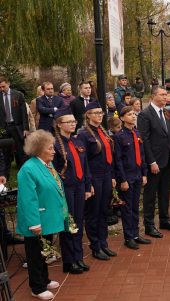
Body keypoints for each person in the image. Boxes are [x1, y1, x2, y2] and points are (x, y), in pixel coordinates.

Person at [16, 130, 68, 300]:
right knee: (35, 254)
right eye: (50, 148)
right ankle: (36, 287)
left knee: (44, 252)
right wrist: (34, 223)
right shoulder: (28, 169)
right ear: (38, 149)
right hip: (37, 220)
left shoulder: (47, 164)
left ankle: (44, 279)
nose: (54, 151)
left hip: (49, 217)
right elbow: (27, 199)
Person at [137, 86, 170, 238]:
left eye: (166, 94)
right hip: (154, 161)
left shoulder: (166, 113)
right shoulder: (145, 114)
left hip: (167, 159)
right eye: (162, 94)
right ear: (154, 96)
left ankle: (164, 219)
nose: (165, 97)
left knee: (164, 192)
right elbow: (145, 140)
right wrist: (151, 161)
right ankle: (149, 225)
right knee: (150, 194)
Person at [53, 108, 92, 274]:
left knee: (79, 221)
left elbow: (85, 166)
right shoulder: (54, 145)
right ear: (59, 125)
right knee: (69, 224)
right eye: (68, 122)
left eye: (74, 121)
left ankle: (78, 257)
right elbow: (53, 171)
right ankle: (69, 261)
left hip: (80, 187)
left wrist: (88, 186)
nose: (72, 124)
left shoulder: (77, 142)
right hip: (66, 189)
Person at [77, 101, 117, 260]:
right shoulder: (84, 134)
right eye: (96, 113)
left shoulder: (103, 131)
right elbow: (83, 161)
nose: (99, 116)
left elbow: (110, 156)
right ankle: (95, 246)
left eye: (101, 113)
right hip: (94, 176)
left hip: (107, 175)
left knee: (104, 211)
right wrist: (89, 183)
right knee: (93, 212)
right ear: (88, 115)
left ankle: (103, 243)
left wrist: (113, 176)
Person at [113, 106, 150, 249]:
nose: (133, 116)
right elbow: (118, 160)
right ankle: (128, 237)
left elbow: (142, 155)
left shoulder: (137, 133)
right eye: (129, 114)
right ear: (122, 118)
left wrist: (144, 173)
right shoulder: (118, 136)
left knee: (135, 207)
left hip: (137, 175)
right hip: (127, 177)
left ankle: (135, 234)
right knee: (127, 208)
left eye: (134, 114)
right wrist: (123, 180)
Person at [0, 76, 30, 175]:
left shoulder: (18, 95)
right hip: (4, 128)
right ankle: (4, 175)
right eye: (0, 87)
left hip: (17, 127)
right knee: (5, 152)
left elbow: (24, 113)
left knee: (21, 151)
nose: (2, 89)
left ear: (8, 83)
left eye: (3, 86)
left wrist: (25, 128)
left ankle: (24, 173)